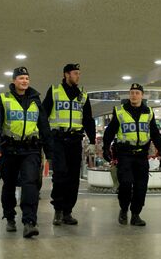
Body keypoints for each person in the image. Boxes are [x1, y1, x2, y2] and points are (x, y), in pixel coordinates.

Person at [0, 67, 52, 238]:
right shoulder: (4, 99)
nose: (24, 81)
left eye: (27, 78)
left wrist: (49, 150)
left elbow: (44, 126)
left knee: (30, 184)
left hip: (31, 149)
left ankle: (29, 222)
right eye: (21, 78)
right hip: (9, 149)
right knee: (9, 184)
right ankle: (10, 216)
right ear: (13, 81)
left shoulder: (35, 100)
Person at [102, 83, 161, 226]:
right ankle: (123, 209)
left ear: (142, 95)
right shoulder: (120, 111)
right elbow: (110, 131)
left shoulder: (149, 112)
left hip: (141, 155)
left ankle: (136, 214)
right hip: (125, 155)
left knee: (141, 186)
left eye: (137, 93)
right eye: (132, 93)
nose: (134, 95)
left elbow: (154, 133)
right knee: (126, 183)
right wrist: (105, 148)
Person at [42, 63, 96, 226]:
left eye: (79, 73)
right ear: (66, 74)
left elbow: (88, 119)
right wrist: (44, 139)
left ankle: (68, 212)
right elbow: (43, 115)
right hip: (58, 139)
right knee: (60, 174)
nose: (78, 76)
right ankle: (58, 210)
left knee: (73, 177)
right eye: (75, 73)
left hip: (75, 141)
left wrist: (92, 141)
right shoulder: (54, 91)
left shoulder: (83, 95)